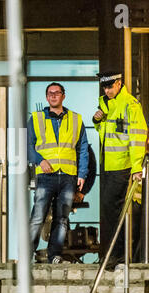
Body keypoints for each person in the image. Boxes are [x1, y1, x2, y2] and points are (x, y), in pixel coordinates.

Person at [28, 82, 89, 264]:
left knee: (62, 219)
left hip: (68, 176)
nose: (53, 96)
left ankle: (54, 255)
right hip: (45, 176)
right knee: (38, 217)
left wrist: (82, 174)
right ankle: (27, 254)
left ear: (63, 95)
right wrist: (40, 160)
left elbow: (83, 148)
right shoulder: (36, 118)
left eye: (57, 93)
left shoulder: (76, 119)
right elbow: (27, 145)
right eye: (50, 93)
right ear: (46, 97)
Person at [93, 71, 147, 269]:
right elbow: (110, 135)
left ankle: (117, 256)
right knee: (110, 211)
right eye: (104, 87)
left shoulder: (130, 105)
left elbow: (137, 137)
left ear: (119, 83)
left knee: (115, 211)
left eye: (110, 86)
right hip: (107, 165)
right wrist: (98, 121)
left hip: (122, 166)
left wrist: (136, 166)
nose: (107, 90)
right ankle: (111, 255)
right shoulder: (107, 104)